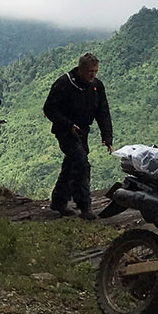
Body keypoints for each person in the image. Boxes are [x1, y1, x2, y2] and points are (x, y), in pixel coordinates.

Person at [43, 53, 113, 220]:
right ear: (80, 69)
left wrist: (107, 138)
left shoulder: (96, 86)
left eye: (95, 71)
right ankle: (85, 207)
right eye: (90, 71)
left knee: (71, 164)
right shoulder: (64, 84)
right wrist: (68, 125)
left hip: (82, 131)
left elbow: (103, 113)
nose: (93, 75)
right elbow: (49, 109)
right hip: (65, 131)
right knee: (81, 163)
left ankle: (59, 201)